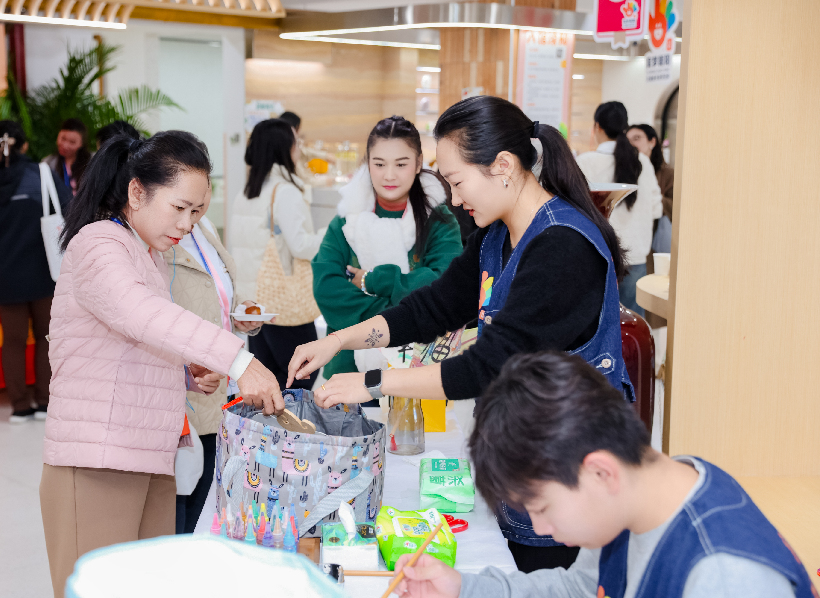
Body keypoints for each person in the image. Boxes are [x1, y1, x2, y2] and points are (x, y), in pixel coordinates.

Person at [288, 96, 633, 571]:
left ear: (504, 166)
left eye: (456, 181)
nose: (453, 199)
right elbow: (431, 308)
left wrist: (371, 383)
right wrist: (338, 340)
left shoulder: (562, 247)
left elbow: (487, 366)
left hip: (570, 474)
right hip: (526, 458)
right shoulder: (496, 234)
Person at [40, 130, 283, 598]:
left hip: (148, 456)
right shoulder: (99, 244)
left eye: (198, 212)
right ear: (137, 191)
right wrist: (237, 359)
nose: (189, 224)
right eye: (179, 208)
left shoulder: (148, 253)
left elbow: (128, 344)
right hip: (96, 459)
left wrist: (183, 373)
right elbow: (141, 314)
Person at [391, 352, 816, 598]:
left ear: (599, 471)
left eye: (541, 508)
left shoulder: (725, 579)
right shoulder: (643, 494)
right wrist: (462, 588)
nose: (542, 529)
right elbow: (580, 588)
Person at [312, 115, 462, 381]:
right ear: (367, 164)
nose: (389, 175)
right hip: (347, 369)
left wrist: (375, 281)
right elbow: (327, 289)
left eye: (401, 164)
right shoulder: (346, 221)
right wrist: (408, 311)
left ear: (418, 164)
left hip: (418, 369)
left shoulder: (439, 221)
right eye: (379, 164)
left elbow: (443, 286)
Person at [162, 207, 263, 534]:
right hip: (188, 385)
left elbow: (213, 293)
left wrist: (239, 315)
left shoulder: (202, 226)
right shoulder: (156, 234)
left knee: (201, 486)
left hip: (216, 380)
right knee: (181, 494)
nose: (196, 206)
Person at [0, 120, 71, 423]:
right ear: (23, 144)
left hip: (3, 275)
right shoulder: (40, 175)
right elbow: (70, 210)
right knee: (45, 337)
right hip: (44, 272)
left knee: (11, 341)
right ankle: (44, 401)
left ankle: (19, 406)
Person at [228, 118, 325, 391]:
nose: (299, 147)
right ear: (285, 148)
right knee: (303, 372)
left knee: (267, 374)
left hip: (254, 302)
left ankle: (268, 430)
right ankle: (288, 427)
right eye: (296, 141)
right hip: (284, 301)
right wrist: (328, 235)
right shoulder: (285, 192)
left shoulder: (246, 192)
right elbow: (302, 246)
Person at [576, 102, 662, 316]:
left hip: (598, 257)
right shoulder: (642, 161)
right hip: (636, 258)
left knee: (599, 323)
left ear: (597, 127)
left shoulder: (585, 162)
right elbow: (656, 210)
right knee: (633, 324)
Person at [628, 123, 674, 254]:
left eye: (636, 138)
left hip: (657, 242)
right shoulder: (625, 173)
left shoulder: (668, 174)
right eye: (628, 140)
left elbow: (678, 207)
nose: (631, 144)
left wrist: (652, 197)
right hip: (632, 242)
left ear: (652, 142)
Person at [43, 118, 91, 196]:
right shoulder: (47, 163)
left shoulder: (93, 162)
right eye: (63, 139)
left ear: (82, 144)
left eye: (72, 142)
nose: (65, 146)